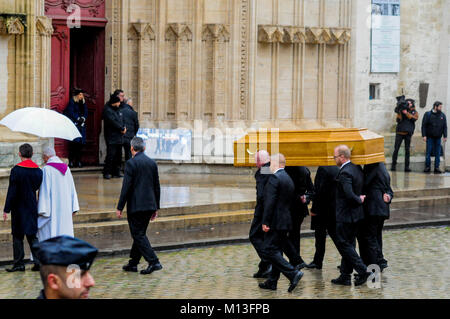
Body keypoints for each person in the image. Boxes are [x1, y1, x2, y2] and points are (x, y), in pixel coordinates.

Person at [116, 137, 162, 275]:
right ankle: (133, 263)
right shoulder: (152, 163)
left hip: (136, 207)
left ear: (131, 148)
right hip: (149, 206)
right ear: (144, 148)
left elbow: (126, 188)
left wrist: (120, 207)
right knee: (139, 234)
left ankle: (154, 262)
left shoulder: (131, 163)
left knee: (138, 235)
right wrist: (156, 207)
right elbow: (157, 187)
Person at [259, 154, 304, 293]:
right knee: (277, 250)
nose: (269, 165)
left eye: (271, 162)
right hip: (285, 220)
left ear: (277, 163)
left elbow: (270, 202)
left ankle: (292, 272)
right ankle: (272, 281)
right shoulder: (287, 177)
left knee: (269, 250)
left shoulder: (274, 177)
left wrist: (265, 221)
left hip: (275, 221)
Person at [331, 145, 369, 286]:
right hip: (356, 215)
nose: (334, 160)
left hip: (346, 215)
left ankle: (363, 270)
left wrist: (358, 199)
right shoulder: (356, 168)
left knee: (344, 244)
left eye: (335, 157)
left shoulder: (345, 172)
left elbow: (348, 194)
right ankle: (345, 275)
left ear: (342, 157)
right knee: (349, 244)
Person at [3, 144, 43, 272]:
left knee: (17, 236)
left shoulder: (16, 170)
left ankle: (19, 264)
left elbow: (12, 191)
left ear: (20, 154)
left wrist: (6, 209)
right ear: (31, 154)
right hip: (31, 205)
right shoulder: (38, 171)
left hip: (18, 207)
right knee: (32, 236)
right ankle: (38, 262)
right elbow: (36, 187)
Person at [37, 147, 79, 242]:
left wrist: (42, 209)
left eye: (43, 158)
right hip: (66, 208)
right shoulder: (66, 168)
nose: (43, 160)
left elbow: (44, 191)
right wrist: (74, 206)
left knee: (50, 232)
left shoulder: (47, 169)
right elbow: (72, 188)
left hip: (52, 209)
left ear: (46, 157)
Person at [305, 165, 340, 270]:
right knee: (333, 236)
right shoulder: (336, 168)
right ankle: (317, 260)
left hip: (322, 210)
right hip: (333, 208)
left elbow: (319, 191)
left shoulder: (323, 169)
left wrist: (314, 209)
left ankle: (318, 261)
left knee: (321, 237)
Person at [361, 162, 394, 271]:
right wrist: (388, 196)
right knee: (377, 236)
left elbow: (365, 184)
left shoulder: (372, 166)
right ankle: (380, 260)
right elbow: (389, 189)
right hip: (381, 208)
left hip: (374, 208)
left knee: (371, 238)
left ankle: (374, 265)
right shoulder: (382, 166)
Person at [284, 165, 314, 270]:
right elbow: (311, 191)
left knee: (287, 236)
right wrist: (306, 197)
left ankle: (296, 261)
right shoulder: (304, 169)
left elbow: (311, 191)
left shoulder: (301, 170)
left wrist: (306, 197)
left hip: (292, 209)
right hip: (296, 208)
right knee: (294, 235)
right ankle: (295, 262)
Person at [249, 150, 272, 278]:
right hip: (271, 210)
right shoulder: (271, 169)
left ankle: (268, 261)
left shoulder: (263, 171)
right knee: (265, 238)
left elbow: (262, 195)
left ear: (259, 161)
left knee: (254, 236)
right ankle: (263, 267)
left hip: (263, 211)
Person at [391, 97, 418, 172]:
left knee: (407, 150)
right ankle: (393, 165)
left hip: (408, 133)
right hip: (400, 132)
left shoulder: (414, 111)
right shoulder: (401, 110)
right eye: (407, 103)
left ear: (412, 104)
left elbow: (415, 118)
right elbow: (398, 120)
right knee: (396, 149)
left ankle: (407, 167)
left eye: (410, 103)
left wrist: (407, 113)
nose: (408, 104)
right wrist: (400, 112)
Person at [103, 94, 126, 179]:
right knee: (111, 155)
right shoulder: (107, 110)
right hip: (111, 137)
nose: (120, 103)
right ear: (114, 102)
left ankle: (116, 172)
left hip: (119, 137)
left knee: (118, 156)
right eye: (118, 102)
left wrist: (124, 127)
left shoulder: (119, 110)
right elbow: (112, 121)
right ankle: (107, 172)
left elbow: (122, 120)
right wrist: (121, 128)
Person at [64, 88, 88, 168]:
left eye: (82, 94)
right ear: (77, 95)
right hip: (75, 125)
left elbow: (86, 112)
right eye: (80, 94)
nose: (82, 96)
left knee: (80, 145)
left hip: (81, 126)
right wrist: (77, 118)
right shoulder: (72, 102)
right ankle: (71, 161)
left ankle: (78, 161)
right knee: (73, 144)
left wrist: (83, 118)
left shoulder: (83, 103)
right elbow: (70, 112)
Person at [421, 101, 448, 174]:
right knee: (428, 152)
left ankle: (437, 167)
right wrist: (424, 135)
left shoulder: (442, 115)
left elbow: (445, 126)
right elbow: (424, 126)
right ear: (435, 107)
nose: (441, 108)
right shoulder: (428, 114)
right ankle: (427, 167)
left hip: (438, 138)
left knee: (438, 153)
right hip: (430, 137)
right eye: (439, 107)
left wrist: (445, 136)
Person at [117, 93, 139, 163]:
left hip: (120, 135)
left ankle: (117, 170)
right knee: (128, 154)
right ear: (129, 103)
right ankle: (127, 169)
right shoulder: (133, 113)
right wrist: (134, 134)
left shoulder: (119, 110)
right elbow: (137, 125)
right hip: (130, 136)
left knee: (118, 154)